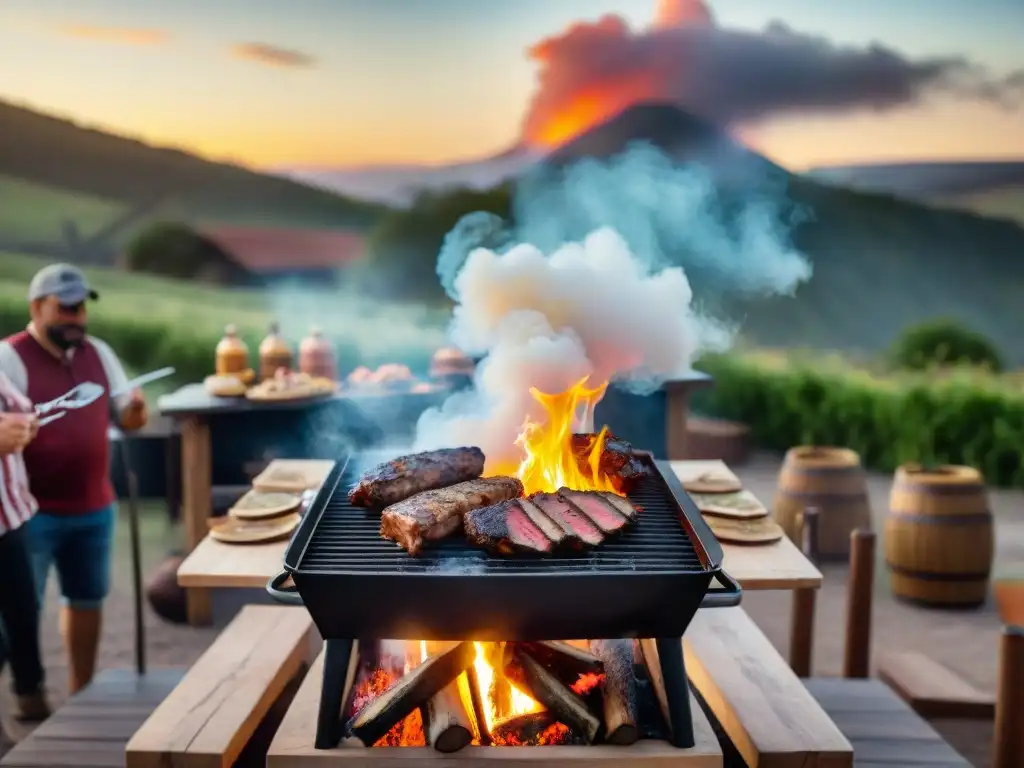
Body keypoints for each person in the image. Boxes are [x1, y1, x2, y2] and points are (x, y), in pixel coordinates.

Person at [0, 264, 148, 695]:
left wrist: (136, 414)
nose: (76, 316)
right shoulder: (10, 357)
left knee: (86, 601)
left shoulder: (98, 352)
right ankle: (29, 692)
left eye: (80, 306)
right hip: (32, 511)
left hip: (94, 504)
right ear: (36, 307)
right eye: (64, 307)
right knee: (20, 613)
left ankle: (80, 690)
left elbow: (127, 416)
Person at [0, 373, 49, 724]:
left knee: (23, 613)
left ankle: (31, 696)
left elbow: (16, 406)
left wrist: (24, 425)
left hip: (9, 512)